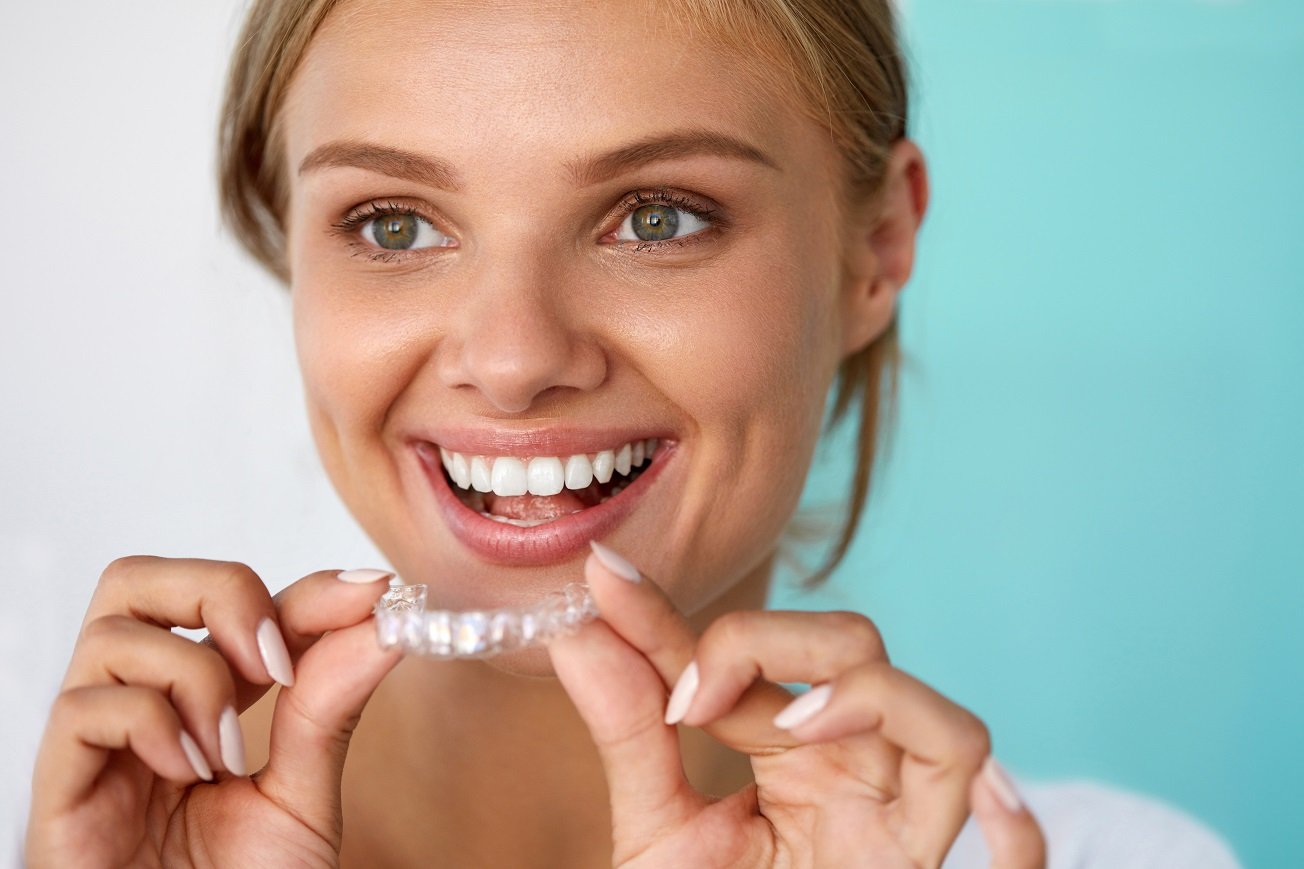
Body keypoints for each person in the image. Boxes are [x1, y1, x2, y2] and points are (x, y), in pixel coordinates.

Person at [22, 1, 1238, 867]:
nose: (510, 359)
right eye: (393, 225)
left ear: (875, 250)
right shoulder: (77, 836)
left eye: (656, 215)